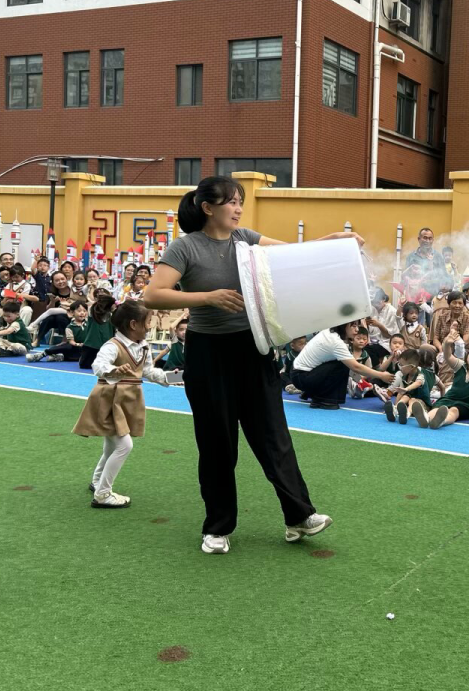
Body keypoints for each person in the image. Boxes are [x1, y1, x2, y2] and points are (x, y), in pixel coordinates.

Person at [145, 175, 363, 554]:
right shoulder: (185, 247)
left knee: (273, 435)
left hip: (253, 348)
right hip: (208, 353)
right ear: (207, 207)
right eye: (231, 202)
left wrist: (334, 241)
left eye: (240, 201)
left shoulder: (245, 240)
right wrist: (208, 297)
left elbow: (295, 254)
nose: (238, 208)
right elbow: (153, 295)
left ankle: (299, 517)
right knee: (217, 443)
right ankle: (217, 528)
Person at [73, 300, 176, 509]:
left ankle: (97, 481)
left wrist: (174, 378)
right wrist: (114, 370)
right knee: (124, 445)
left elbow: (148, 371)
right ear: (133, 324)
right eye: (148, 321)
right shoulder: (113, 345)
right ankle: (103, 494)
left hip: (126, 400)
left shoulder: (143, 346)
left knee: (112, 445)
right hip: (109, 399)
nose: (150, 326)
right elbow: (98, 365)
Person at [292, 322, 394, 410]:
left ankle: (313, 393)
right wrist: (381, 375)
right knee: (342, 364)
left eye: (357, 326)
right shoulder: (335, 342)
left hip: (301, 374)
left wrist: (365, 384)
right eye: (353, 326)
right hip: (301, 377)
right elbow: (355, 367)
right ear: (344, 326)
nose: (357, 329)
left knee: (342, 363)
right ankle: (322, 400)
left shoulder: (330, 332)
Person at [425, 339, 469, 429]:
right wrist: (447, 343)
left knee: (454, 411)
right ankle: (426, 419)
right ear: (467, 355)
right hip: (449, 398)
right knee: (438, 408)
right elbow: (448, 356)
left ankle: (442, 421)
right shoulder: (460, 365)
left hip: (466, 404)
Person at [383, 348, 429, 425]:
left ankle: (407, 414)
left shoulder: (421, 375)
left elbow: (418, 383)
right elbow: (400, 393)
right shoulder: (404, 376)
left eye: (402, 365)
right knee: (405, 397)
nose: (400, 367)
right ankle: (395, 410)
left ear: (411, 367)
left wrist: (406, 389)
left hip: (422, 404)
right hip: (408, 401)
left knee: (413, 400)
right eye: (399, 364)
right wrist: (396, 404)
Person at [79, 290, 115, 369]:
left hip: (107, 346)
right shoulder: (92, 312)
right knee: (85, 365)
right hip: (91, 345)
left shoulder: (112, 315)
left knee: (105, 366)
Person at [405, 228, 446, 297]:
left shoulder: (438, 256)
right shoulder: (411, 257)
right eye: (425, 238)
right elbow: (406, 277)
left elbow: (444, 276)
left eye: (430, 238)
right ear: (419, 239)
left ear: (433, 240)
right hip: (415, 296)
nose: (427, 241)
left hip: (433, 296)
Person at [347, 326, 374, 399]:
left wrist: (362, 378)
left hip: (360, 379)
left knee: (372, 384)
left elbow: (369, 372)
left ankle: (360, 388)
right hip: (346, 377)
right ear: (352, 340)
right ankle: (358, 388)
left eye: (364, 339)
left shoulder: (366, 356)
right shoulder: (346, 351)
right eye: (358, 338)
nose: (361, 341)